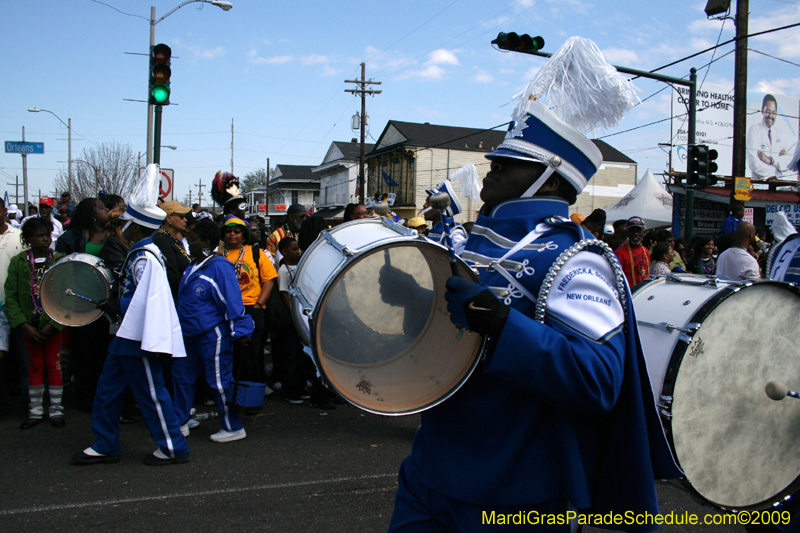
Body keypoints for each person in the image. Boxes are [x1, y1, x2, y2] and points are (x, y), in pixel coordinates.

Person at [388, 86, 678, 531]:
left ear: (552, 180)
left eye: (512, 162)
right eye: (497, 159)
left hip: (515, 490)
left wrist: (502, 323)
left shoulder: (576, 256)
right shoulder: (479, 239)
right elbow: (451, 342)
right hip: (430, 470)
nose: (494, 165)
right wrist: (415, 300)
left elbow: (598, 378)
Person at [72, 164, 189, 466]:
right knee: (107, 390)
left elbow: (150, 300)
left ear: (135, 227)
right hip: (128, 334)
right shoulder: (140, 252)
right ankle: (105, 443)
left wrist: (118, 306)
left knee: (151, 393)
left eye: (126, 222)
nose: (121, 225)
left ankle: (173, 446)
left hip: (138, 336)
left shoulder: (144, 256)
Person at [172, 219, 254, 442]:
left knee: (219, 382)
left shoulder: (220, 267)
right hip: (188, 334)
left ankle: (233, 427)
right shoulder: (193, 266)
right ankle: (180, 421)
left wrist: (241, 331)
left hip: (212, 335)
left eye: (194, 240)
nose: (189, 243)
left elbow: (232, 302)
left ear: (207, 243)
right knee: (181, 377)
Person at [4, 218, 66, 429]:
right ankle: (35, 411)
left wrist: (54, 324)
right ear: (28, 239)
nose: (45, 239)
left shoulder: (59, 261)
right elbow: (11, 296)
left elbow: (66, 296)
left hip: (52, 325)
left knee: (54, 365)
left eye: (47, 235)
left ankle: (56, 410)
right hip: (29, 326)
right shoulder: (19, 262)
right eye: (39, 236)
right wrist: (23, 325)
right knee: (34, 366)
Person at [55, 197, 111, 412]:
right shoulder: (69, 238)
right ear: (90, 214)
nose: (106, 210)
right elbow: (60, 269)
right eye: (100, 207)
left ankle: (102, 396)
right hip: (79, 302)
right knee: (82, 353)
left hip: (105, 303)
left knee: (103, 352)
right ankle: (84, 397)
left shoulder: (113, 235)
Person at [219, 216, 277, 388]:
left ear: (243, 235)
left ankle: (252, 391)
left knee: (252, 353)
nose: (232, 234)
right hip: (226, 311)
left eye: (237, 231)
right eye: (228, 231)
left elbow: (269, 280)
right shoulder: (218, 255)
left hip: (252, 309)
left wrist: (259, 305)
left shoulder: (255, 253)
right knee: (229, 351)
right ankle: (231, 390)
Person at [747, 94, 794, 179]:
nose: (771, 116)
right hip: (760, 183)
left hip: (778, 184)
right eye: (768, 111)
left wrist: (770, 161)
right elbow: (755, 165)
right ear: (762, 110)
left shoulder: (779, 133)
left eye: (773, 112)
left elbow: (789, 161)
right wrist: (778, 170)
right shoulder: (754, 130)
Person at [423, 181, 468, 256]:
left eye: (430, 202)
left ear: (441, 206)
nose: (425, 205)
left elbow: (463, 256)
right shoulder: (435, 230)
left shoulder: (453, 233)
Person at [614, 217, 651, 288]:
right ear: (627, 233)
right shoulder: (619, 253)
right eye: (632, 231)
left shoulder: (645, 251)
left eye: (638, 231)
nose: (635, 234)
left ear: (644, 232)